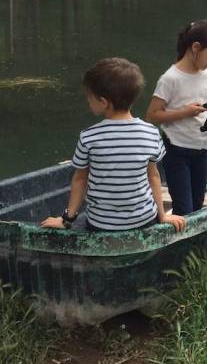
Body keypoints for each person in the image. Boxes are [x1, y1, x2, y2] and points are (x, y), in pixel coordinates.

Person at [40, 58, 186, 233]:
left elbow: (80, 179)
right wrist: (162, 216)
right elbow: (153, 176)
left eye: (89, 97)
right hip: (143, 220)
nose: (88, 101)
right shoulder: (151, 133)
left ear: (103, 102)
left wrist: (66, 219)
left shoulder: (89, 136)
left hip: (100, 224)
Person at [146, 20, 207, 216]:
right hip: (176, 151)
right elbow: (152, 115)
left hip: (202, 149)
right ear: (195, 48)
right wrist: (184, 112)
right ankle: (178, 240)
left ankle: (190, 239)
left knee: (197, 203)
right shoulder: (170, 79)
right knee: (184, 208)